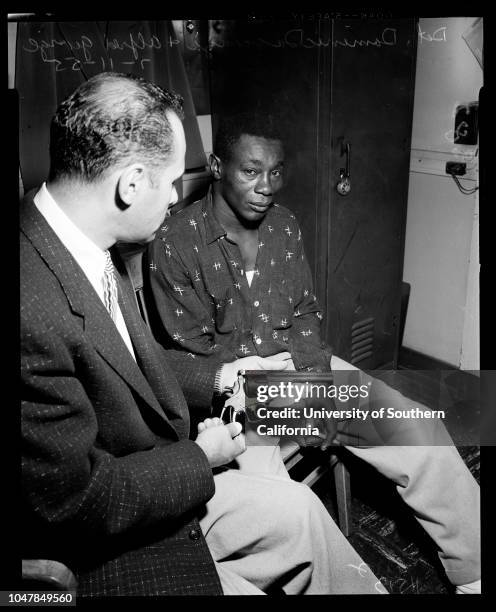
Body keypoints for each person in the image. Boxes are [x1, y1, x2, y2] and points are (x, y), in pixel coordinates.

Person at [21, 72, 387, 597]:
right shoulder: (31, 305)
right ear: (131, 183)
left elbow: (134, 366)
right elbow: (74, 505)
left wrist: (225, 377)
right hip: (109, 549)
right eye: (170, 182)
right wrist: (204, 455)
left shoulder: (90, 248)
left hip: (159, 466)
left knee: (306, 508)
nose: (174, 198)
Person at [146, 112, 481, 594]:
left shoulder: (283, 226)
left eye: (276, 171)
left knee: (418, 427)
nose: (266, 186)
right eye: (251, 170)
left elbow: (304, 313)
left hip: (300, 369)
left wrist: (314, 386)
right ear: (218, 166)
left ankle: (475, 571)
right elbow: (195, 359)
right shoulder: (174, 243)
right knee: (282, 512)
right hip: (235, 398)